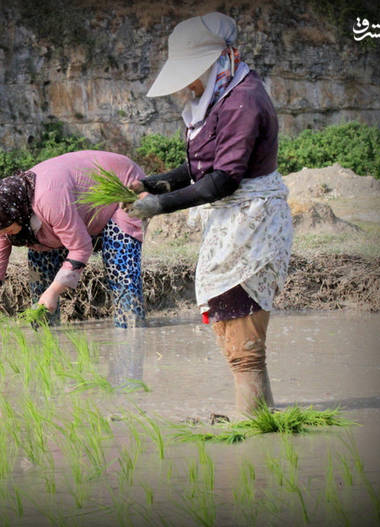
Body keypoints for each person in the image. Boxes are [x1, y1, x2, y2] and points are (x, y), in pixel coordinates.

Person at [127, 12, 293, 416]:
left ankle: (252, 424)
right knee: (235, 325)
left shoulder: (243, 99)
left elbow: (223, 180)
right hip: (232, 224)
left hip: (250, 225)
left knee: (241, 330)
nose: (187, 85)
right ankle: (261, 416)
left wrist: (158, 207)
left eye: (192, 74)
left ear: (218, 61)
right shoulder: (220, 95)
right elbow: (199, 170)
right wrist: (151, 185)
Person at [0, 150, 146, 332]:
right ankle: (45, 336)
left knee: (120, 264)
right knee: (40, 263)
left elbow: (81, 248)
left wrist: (53, 292)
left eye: (5, 227)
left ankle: (131, 331)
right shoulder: (0, 219)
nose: (2, 233)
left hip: (123, 187)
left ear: (15, 211)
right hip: (73, 214)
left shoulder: (48, 199)